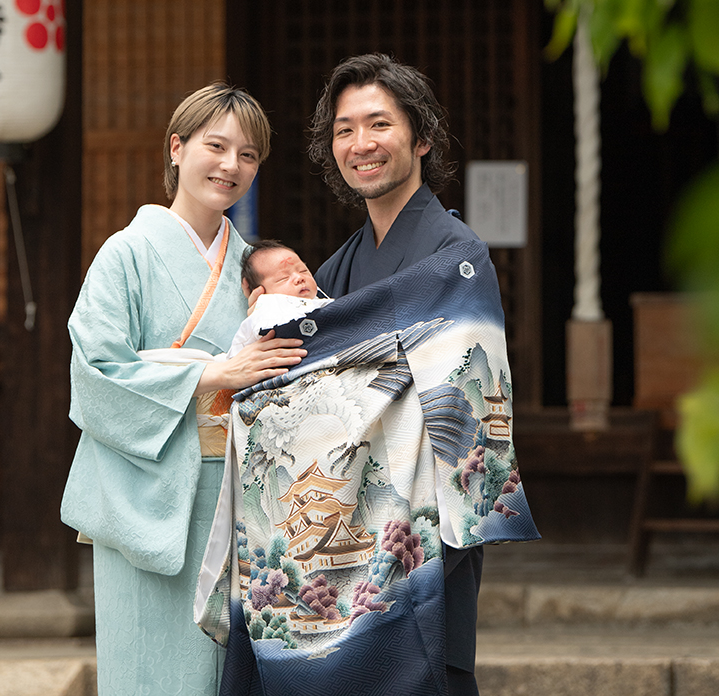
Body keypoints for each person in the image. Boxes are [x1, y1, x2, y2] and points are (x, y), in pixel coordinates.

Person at [60, 84, 306, 696]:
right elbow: (95, 370)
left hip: (236, 499)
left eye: (248, 155)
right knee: (149, 668)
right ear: (177, 148)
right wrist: (210, 372)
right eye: (215, 146)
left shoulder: (253, 266)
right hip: (147, 491)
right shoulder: (126, 254)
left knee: (223, 676)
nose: (231, 166)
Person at [305, 52, 497, 696]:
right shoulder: (335, 272)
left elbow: (471, 412)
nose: (361, 144)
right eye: (344, 129)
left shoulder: (458, 256)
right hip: (353, 525)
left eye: (378, 124)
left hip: (427, 524)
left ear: (421, 138)